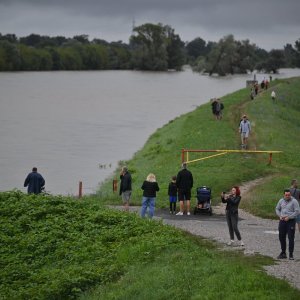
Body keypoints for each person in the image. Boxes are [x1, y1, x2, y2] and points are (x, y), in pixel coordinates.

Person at [275, 189, 299, 260]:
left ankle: (291, 254)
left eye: (289, 195)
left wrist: (289, 217)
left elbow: (297, 211)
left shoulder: (294, 201)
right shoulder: (281, 201)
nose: (287, 196)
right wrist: (279, 215)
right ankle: (283, 253)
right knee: (281, 237)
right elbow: (277, 209)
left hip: (290, 221)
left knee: (291, 238)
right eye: (286, 195)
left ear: (290, 195)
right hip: (282, 221)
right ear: (284, 195)